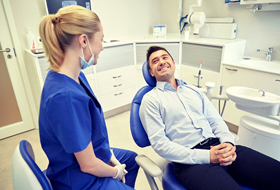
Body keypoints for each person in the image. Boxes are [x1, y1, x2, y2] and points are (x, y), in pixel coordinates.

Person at [139, 46, 280, 190]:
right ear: (151, 72)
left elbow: (215, 120)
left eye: (165, 57)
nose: (161, 62)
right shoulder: (150, 100)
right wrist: (207, 156)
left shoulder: (194, 91)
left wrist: (228, 144)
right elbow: (160, 144)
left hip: (220, 146)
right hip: (190, 161)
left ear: (174, 63)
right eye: (155, 61)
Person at [38, 5, 139, 190]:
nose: (102, 46)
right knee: (123, 170)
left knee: (132, 160)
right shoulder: (65, 97)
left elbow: (90, 132)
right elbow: (88, 165)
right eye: (101, 39)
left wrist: (109, 155)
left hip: (90, 155)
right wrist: (115, 172)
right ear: (84, 40)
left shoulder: (73, 76)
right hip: (78, 178)